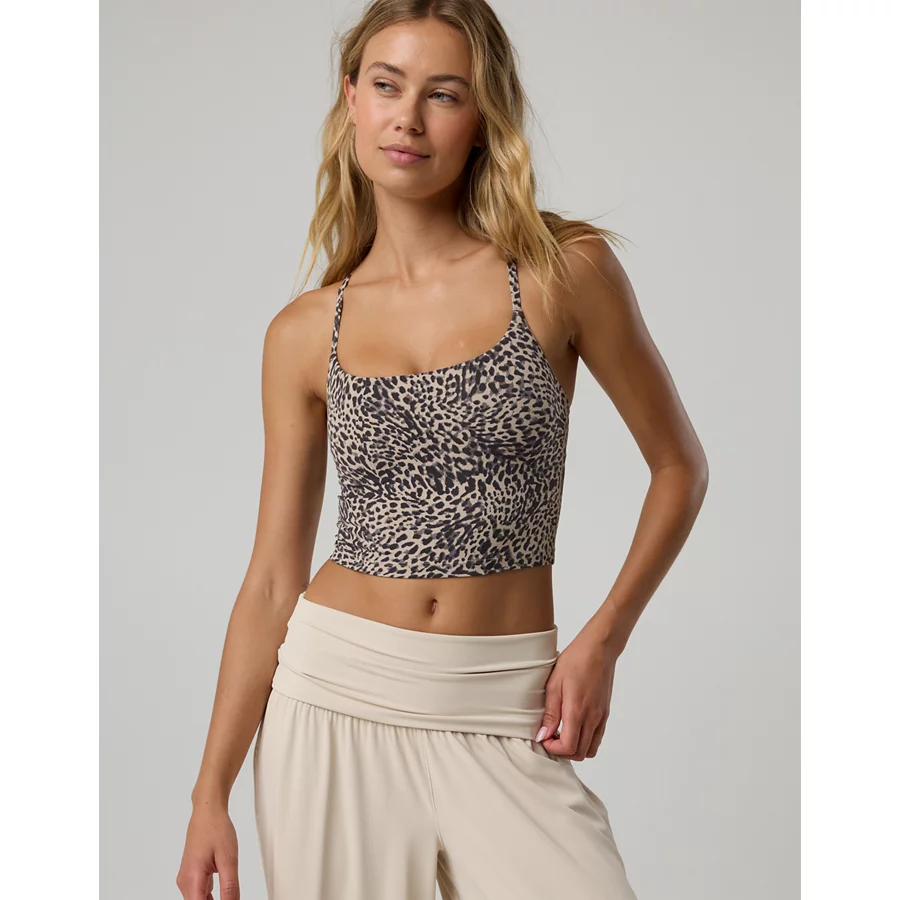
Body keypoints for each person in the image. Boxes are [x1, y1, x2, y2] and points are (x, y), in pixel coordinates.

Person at [176, 1, 709, 898]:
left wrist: (603, 640)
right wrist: (208, 794)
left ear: (483, 118)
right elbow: (271, 580)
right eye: (387, 86)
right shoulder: (304, 332)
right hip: (335, 700)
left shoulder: (561, 272)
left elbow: (678, 469)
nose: (409, 119)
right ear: (353, 98)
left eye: (444, 94)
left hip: (503, 702)